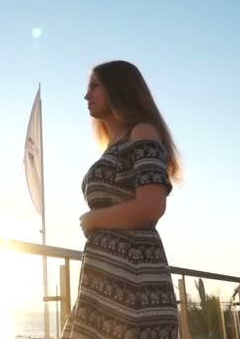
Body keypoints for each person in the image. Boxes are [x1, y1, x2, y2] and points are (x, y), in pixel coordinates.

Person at [61, 60, 181, 339]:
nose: (86, 95)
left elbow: (152, 206)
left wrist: (93, 219)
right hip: (104, 282)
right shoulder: (113, 147)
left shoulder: (143, 132)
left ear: (118, 89)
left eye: (95, 86)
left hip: (133, 283)